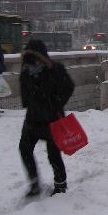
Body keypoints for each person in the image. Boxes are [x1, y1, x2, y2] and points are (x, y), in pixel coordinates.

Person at [19, 39, 75, 197]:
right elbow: (25, 92)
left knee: (53, 154)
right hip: (33, 119)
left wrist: (56, 103)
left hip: (52, 119)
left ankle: (60, 184)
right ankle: (34, 183)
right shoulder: (26, 71)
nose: (32, 60)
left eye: (34, 57)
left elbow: (69, 87)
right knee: (25, 149)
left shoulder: (55, 69)